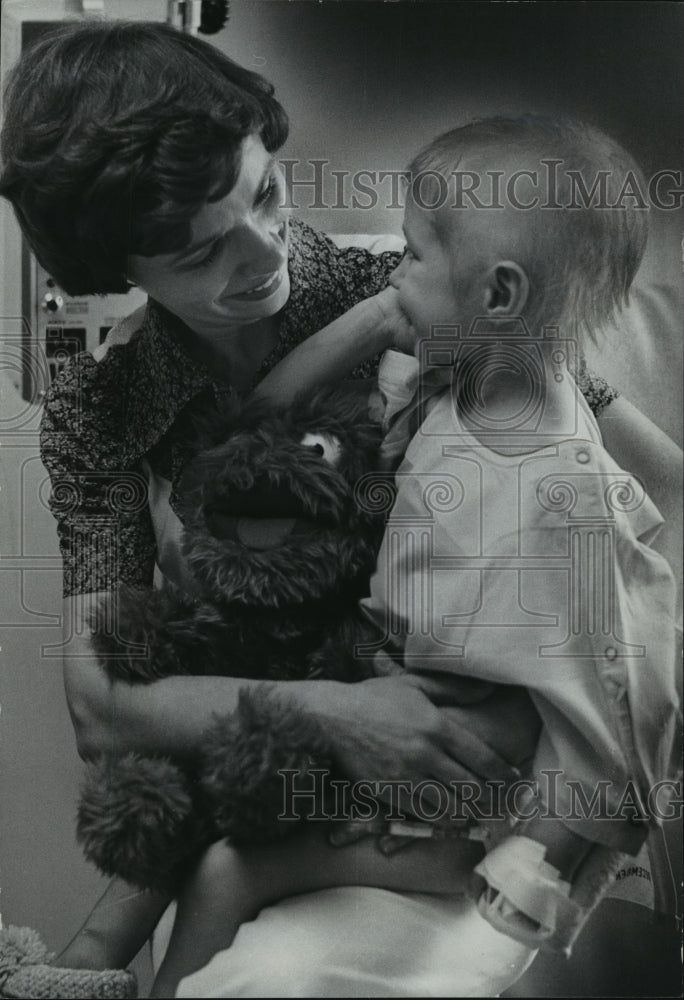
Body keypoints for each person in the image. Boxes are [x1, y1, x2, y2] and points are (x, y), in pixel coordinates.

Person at [0, 20, 680, 999]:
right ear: (118, 272)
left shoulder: (438, 283)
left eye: (266, 192)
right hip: (291, 774)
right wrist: (341, 714)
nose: (262, 252)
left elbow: (654, 485)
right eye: (197, 256)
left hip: (481, 782)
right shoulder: (101, 413)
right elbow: (105, 702)